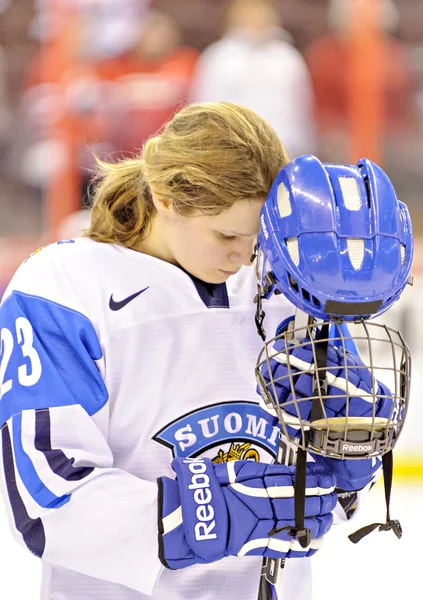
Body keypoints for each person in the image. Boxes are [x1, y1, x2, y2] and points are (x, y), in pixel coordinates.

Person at [0, 102, 400, 600]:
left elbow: (321, 495)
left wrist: (345, 467)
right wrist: (199, 514)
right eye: (227, 235)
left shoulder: (285, 288)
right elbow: (43, 500)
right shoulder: (64, 287)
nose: (244, 255)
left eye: (257, 238)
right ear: (166, 198)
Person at [189, 0, 316, 158]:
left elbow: (301, 107)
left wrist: (305, 146)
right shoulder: (218, 58)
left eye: (261, 12)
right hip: (233, 148)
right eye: (249, 12)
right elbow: (203, 105)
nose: (256, 18)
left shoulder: (287, 57)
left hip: (285, 146)